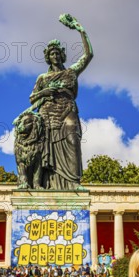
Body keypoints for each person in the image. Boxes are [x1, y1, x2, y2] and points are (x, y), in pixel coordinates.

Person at [29, 14, 93, 190]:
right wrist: (45, 91)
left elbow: (88, 55)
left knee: (73, 139)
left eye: (57, 53)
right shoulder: (43, 77)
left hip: (67, 110)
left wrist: (81, 30)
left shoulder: (71, 72)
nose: (55, 56)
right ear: (48, 57)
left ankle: (73, 182)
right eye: (52, 54)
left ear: (62, 55)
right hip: (47, 113)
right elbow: (32, 98)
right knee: (45, 148)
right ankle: (42, 183)